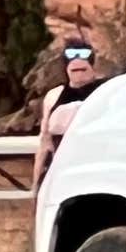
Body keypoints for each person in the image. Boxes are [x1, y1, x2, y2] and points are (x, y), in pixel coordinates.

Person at [35, 36, 104, 178]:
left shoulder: (106, 91)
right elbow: (45, 143)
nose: (78, 59)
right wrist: (36, 186)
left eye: (84, 55)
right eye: (72, 55)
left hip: (97, 168)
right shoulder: (53, 96)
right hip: (63, 171)